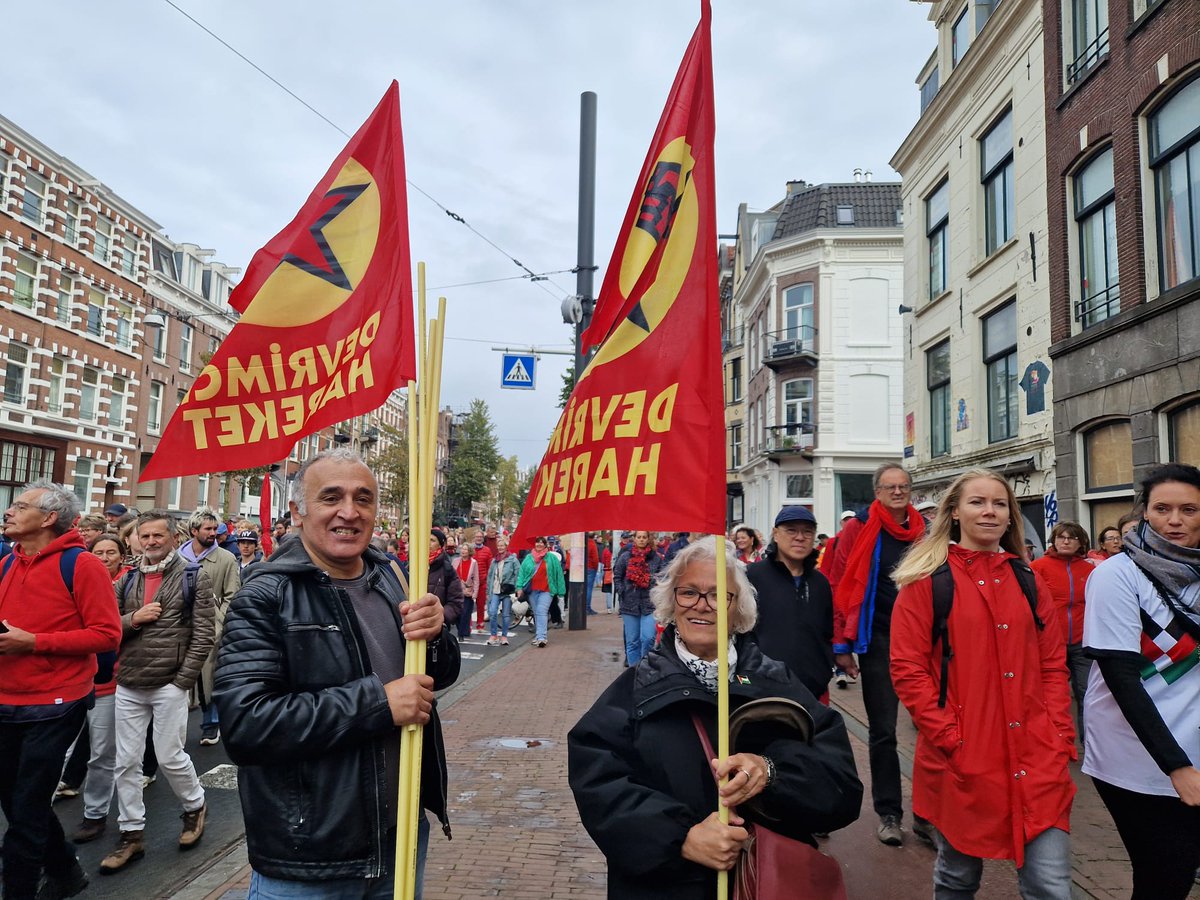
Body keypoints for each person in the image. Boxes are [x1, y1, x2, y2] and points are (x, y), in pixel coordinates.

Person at [214, 449, 460, 898]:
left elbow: (436, 675)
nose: (350, 512)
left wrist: (438, 635)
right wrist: (379, 704)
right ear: (298, 511)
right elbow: (246, 725)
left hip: (400, 834)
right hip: (313, 857)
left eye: (363, 498)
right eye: (331, 497)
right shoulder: (266, 595)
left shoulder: (391, 576)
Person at [567, 537, 862, 899]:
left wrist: (771, 773)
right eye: (688, 592)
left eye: (718, 595)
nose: (701, 606)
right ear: (671, 601)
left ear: (738, 610)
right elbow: (600, 786)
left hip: (763, 882)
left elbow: (841, 786)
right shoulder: (635, 690)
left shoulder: (777, 682)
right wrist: (681, 837)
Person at [890, 468, 1076, 899]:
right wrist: (950, 736)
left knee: (1050, 884)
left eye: (999, 503)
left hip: (1036, 754)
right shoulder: (926, 581)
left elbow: (1052, 664)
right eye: (977, 502)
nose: (989, 511)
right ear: (954, 512)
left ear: (1011, 516)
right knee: (957, 878)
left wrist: (1059, 731)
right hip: (965, 756)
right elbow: (908, 668)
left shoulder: (1028, 580)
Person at [1082, 463, 1200, 899]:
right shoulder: (1116, 576)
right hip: (1134, 757)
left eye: (1189, 509)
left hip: (1193, 746)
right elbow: (1121, 679)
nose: (1175, 520)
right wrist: (1178, 767)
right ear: (1145, 513)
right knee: (1165, 878)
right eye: (1162, 508)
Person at [0, 482, 122, 900]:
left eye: (20, 505)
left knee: (28, 806)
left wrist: (34, 642)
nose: (9, 511)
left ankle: (17, 888)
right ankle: (65, 869)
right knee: (15, 802)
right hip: (5, 700)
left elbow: (108, 634)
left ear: (49, 517)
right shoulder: (7, 564)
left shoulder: (82, 565)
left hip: (56, 702)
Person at [100, 510, 216, 874]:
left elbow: (203, 635)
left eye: (157, 536)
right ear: (136, 539)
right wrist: (134, 619)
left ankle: (195, 805)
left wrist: (182, 681)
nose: (150, 542)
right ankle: (131, 833)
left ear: (172, 537)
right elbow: (107, 628)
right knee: (126, 762)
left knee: (168, 756)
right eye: (144, 536)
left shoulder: (194, 577)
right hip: (130, 682)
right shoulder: (128, 579)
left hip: (169, 683)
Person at [828, 462, 928, 846]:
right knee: (883, 731)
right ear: (878, 492)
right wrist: (842, 647)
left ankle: (928, 814)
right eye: (890, 486)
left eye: (903, 486)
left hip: (922, 642)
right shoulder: (857, 530)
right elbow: (839, 584)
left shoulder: (924, 531)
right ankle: (889, 812)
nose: (898, 492)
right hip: (879, 639)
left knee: (933, 732)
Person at [69, 534, 132, 846]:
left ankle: (94, 814)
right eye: (98, 552)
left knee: (101, 753)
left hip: (109, 683)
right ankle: (34, 817)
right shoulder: (74, 581)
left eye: (111, 552)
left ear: (121, 556)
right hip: (70, 681)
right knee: (59, 751)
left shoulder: (129, 585)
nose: (105, 557)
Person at [745, 507, 835, 703]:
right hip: (764, 689)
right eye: (791, 530)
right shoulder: (752, 576)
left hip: (813, 689)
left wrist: (825, 668)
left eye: (807, 531)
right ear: (776, 534)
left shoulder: (820, 583)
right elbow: (739, 629)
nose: (800, 537)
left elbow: (826, 632)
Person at [178, 507, 241, 748]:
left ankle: (210, 724)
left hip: (211, 628)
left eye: (215, 528)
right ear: (194, 531)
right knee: (180, 679)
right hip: (181, 626)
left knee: (209, 678)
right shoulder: (178, 558)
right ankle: (177, 729)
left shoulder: (226, 559)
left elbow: (232, 594)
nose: (213, 533)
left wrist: (219, 622)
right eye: (208, 529)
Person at [1031, 522, 1095, 741]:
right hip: (1049, 644)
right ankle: (1050, 742)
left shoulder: (1090, 570)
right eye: (1061, 537)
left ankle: (1091, 749)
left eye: (1072, 538)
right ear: (1054, 541)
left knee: (1087, 695)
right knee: (1050, 696)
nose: (1066, 541)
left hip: (1081, 643)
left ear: (1081, 543)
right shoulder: (1037, 567)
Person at [613, 531, 665, 665]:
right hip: (629, 604)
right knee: (632, 641)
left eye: (644, 537)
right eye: (639, 537)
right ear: (634, 539)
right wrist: (621, 590)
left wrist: (657, 590)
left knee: (648, 638)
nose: (641, 540)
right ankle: (633, 672)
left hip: (649, 604)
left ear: (648, 539)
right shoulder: (625, 557)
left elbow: (662, 576)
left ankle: (644, 667)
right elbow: (617, 575)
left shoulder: (656, 558)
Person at [517, 536, 566, 648]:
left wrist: (561, 591)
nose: (539, 545)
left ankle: (542, 637)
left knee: (541, 611)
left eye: (541, 543)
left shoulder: (551, 558)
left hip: (547, 590)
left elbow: (558, 574)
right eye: (537, 543)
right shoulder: (528, 558)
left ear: (545, 545)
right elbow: (522, 573)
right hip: (532, 591)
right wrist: (519, 587)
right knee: (537, 613)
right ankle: (539, 636)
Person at [486, 536, 518, 647]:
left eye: (502, 545)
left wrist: (513, 586)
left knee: (505, 615)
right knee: (492, 612)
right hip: (495, 590)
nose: (500, 547)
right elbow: (490, 577)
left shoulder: (513, 559)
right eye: (498, 545)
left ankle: (504, 636)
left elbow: (517, 574)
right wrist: (487, 592)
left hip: (507, 591)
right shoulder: (494, 560)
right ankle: (493, 634)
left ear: (506, 546)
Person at [454, 540, 479, 641]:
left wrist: (475, 593)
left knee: (465, 613)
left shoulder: (473, 563)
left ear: (469, 552)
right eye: (462, 549)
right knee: (456, 613)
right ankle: (462, 630)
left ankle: (461, 633)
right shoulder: (455, 561)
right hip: (456, 590)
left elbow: (476, 579)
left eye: (465, 549)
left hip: (468, 591)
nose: (463, 551)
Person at [472, 530, 493, 633]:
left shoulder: (487, 550)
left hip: (482, 582)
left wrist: (488, 580)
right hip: (470, 583)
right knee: (468, 606)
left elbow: (490, 567)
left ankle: (480, 625)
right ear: (474, 538)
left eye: (480, 537)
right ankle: (469, 624)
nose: (479, 538)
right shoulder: (470, 549)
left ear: (483, 539)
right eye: (477, 537)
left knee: (481, 605)